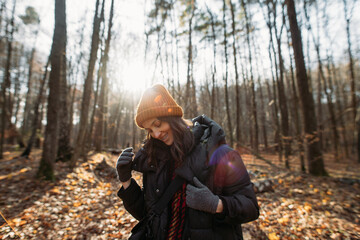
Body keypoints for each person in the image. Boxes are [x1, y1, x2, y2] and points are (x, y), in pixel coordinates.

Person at [116, 84, 259, 240]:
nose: (156, 134)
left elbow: (250, 207)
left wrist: (216, 204)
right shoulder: (156, 159)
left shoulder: (220, 153)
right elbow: (150, 215)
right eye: (149, 130)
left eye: (158, 124)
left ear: (171, 116)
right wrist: (126, 181)